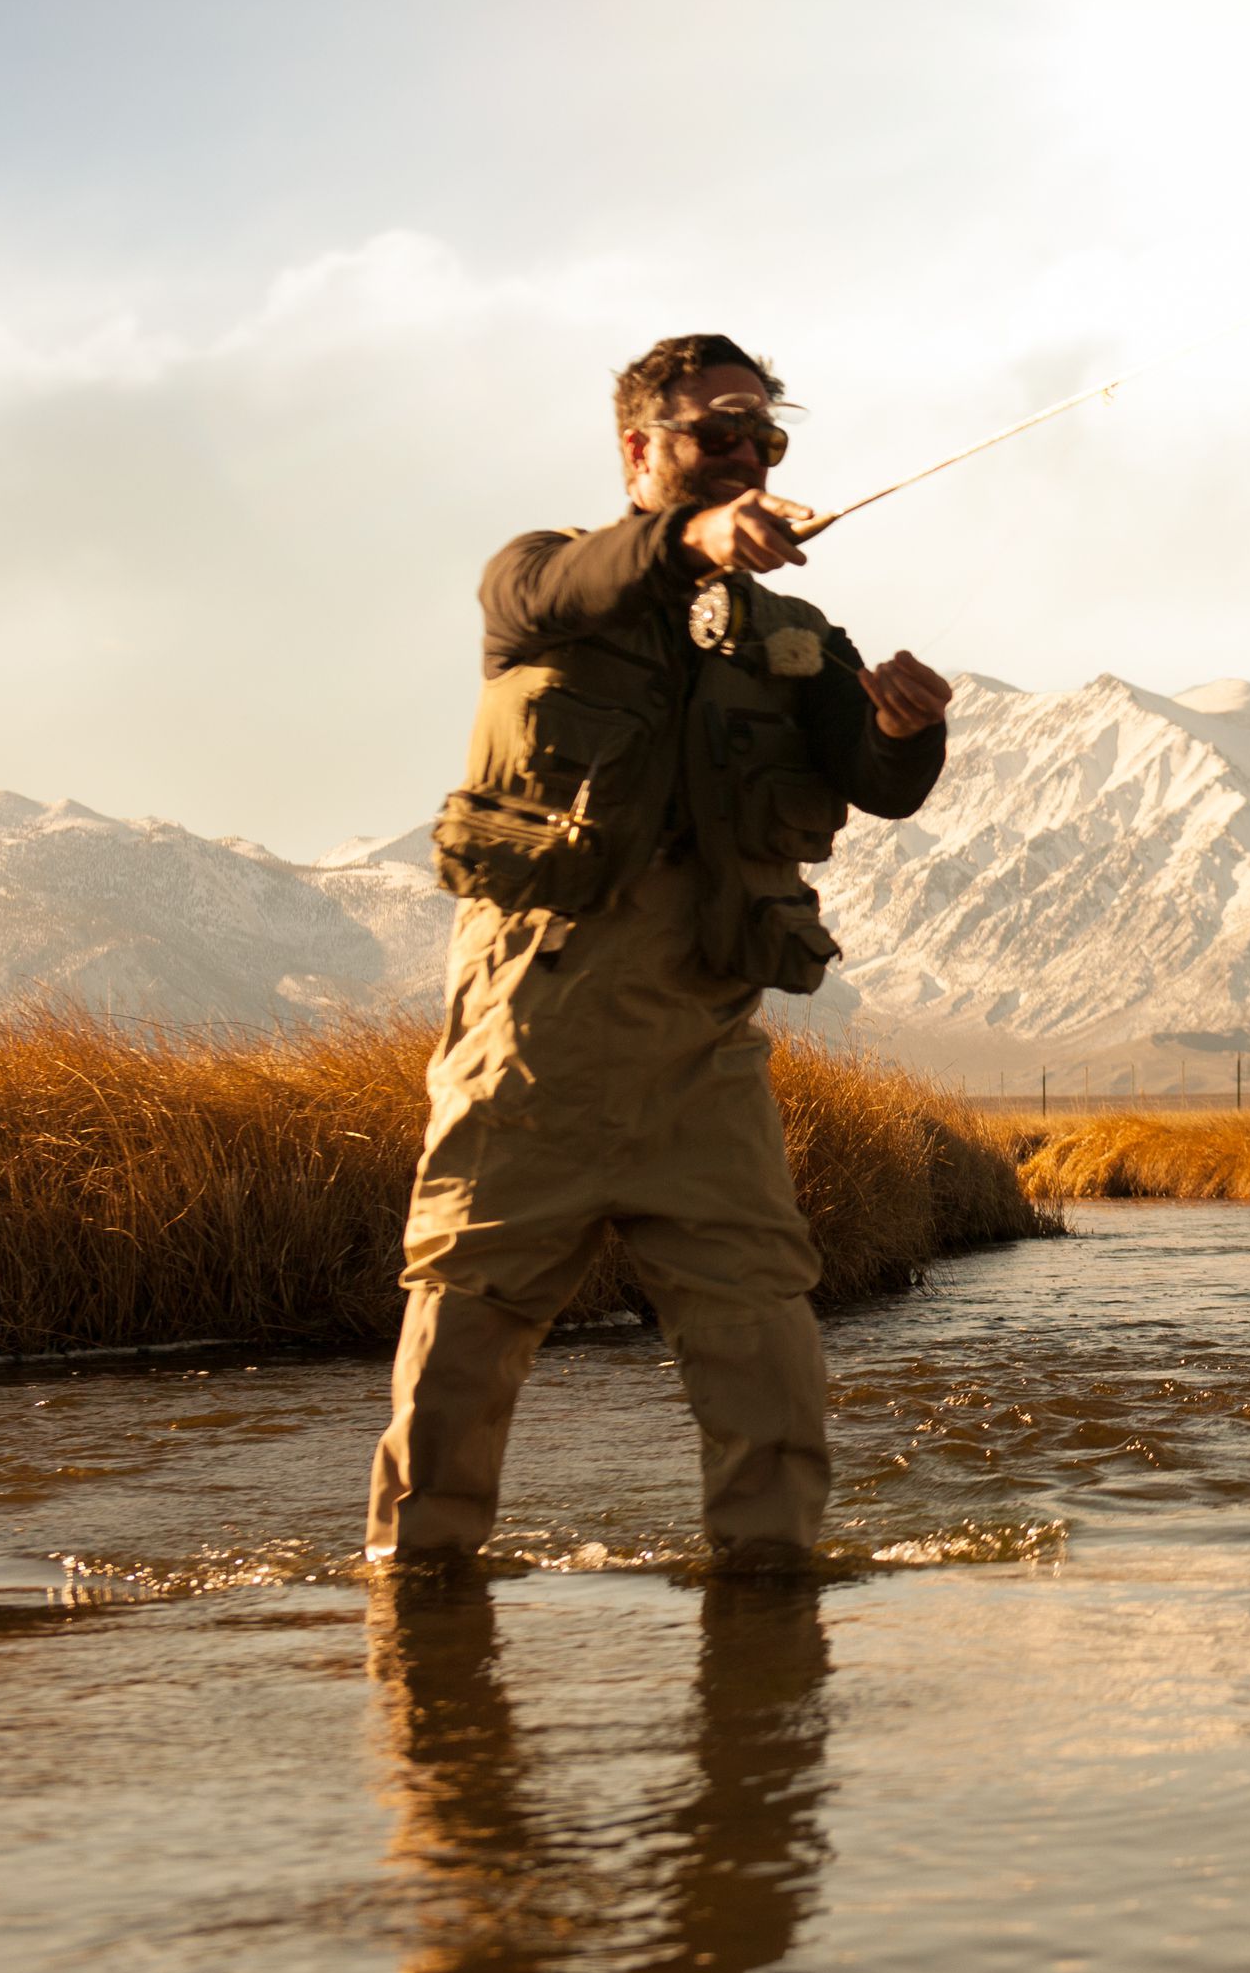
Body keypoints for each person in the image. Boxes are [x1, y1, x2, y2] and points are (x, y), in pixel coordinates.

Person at [366, 333, 953, 1573]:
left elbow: (878, 781)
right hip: (532, 1036)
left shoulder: (791, 635)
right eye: (714, 430)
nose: (743, 450)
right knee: (464, 1339)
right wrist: (689, 541)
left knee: (767, 1347)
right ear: (638, 449)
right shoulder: (538, 584)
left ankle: (768, 1629)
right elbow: (558, 590)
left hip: (707, 1050)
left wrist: (906, 727)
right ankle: (417, 1609)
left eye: (762, 432)